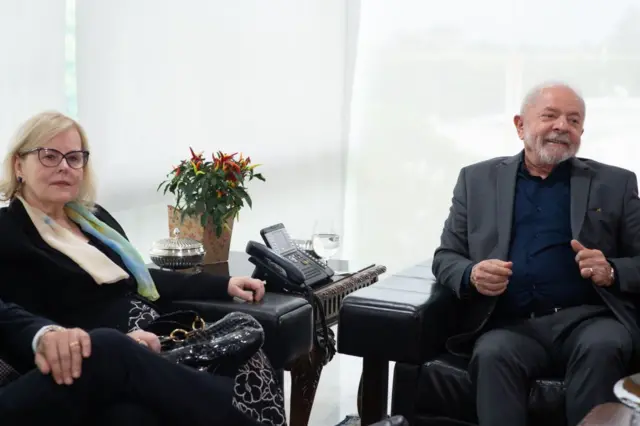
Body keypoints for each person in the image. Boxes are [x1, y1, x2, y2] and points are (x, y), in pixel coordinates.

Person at [0, 111, 286, 425]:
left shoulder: (93, 220)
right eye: (49, 156)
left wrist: (223, 284)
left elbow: (139, 277)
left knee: (248, 341)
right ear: (18, 166)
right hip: (94, 351)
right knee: (131, 404)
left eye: (74, 157)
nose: (64, 167)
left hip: (158, 334)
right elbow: (20, 316)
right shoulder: (8, 230)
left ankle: (181, 359)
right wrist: (116, 340)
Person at [433, 81, 640, 426]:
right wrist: (472, 275)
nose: (562, 126)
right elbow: (446, 257)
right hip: (512, 324)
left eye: (574, 121)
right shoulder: (476, 180)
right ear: (520, 125)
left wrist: (612, 270)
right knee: (491, 353)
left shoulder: (616, 184)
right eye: (550, 116)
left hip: (588, 320)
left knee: (605, 345)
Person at [0, 297, 265, 425]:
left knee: (131, 417)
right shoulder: (13, 229)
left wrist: (46, 334)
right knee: (108, 346)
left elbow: (7, 315)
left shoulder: (95, 221)